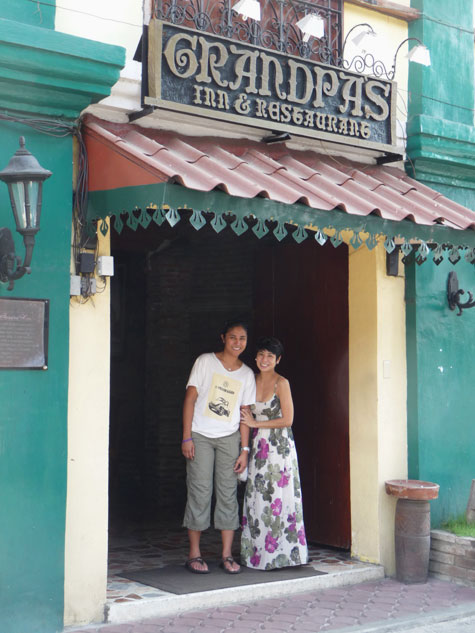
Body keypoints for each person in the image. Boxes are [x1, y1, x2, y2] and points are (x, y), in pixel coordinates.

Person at [181, 320, 256, 574]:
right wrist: (186, 437)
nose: (237, 342)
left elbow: (245, 413)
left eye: (242, 338)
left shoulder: (246, 374)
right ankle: (194, 554)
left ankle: (226, 555)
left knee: (227, 495)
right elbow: (190, 398)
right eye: (233, 337)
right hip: (200, 435)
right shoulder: (205, 362)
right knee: (200, 491)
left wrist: (245, 450)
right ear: (223, 337)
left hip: (229, 438)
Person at [240, 336, 308, 570]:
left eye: (270, 356)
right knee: (258, 497)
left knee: (279, 497)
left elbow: (288, 419)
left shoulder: (282, 383)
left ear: (278, 359)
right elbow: (244, 417)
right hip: (258, 448)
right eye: (261, 354)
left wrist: (256, 424)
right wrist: (244, 447)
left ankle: (285, 554)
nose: (264, 359)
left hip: (279, 448)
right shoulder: (249, 380)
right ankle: (257, 555)